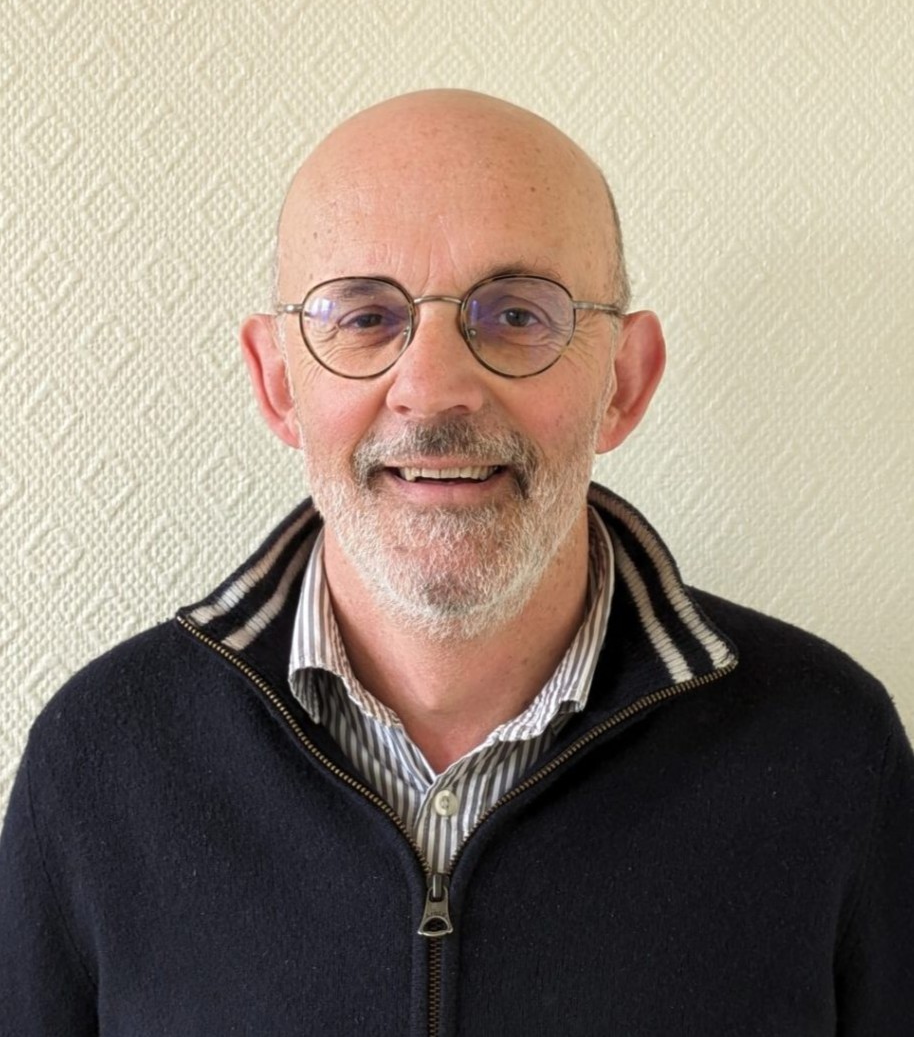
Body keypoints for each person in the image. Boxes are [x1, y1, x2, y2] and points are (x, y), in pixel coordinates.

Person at [1, 89, 912, 1036]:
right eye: (364, 317)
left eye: (517, 313)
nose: (434, 388)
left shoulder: (831, 751)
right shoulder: (101, 762)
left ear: (624, 381)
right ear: (277, 383)